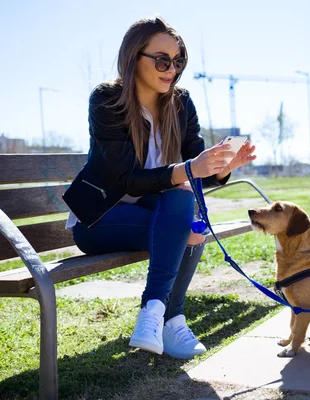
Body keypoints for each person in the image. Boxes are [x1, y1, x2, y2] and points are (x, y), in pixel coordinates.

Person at [62, 16, 256, 359]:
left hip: (158, 214)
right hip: (98, 220)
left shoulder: (180, 103)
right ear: (134, 56)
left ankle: (158, 315)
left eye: (178, 61)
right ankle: (169, 316)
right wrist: (190, 169)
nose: (172, 69)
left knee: (183, 206)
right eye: (163, 60)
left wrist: (224, 168)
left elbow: (194, 170)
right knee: (184, 223)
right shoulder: (107, 101)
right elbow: (127, 179)